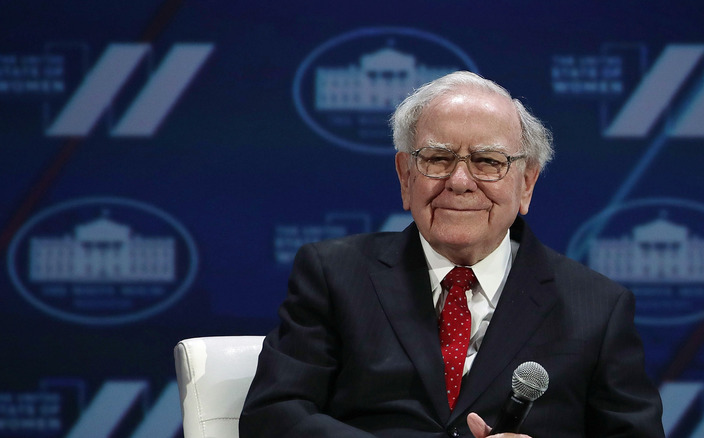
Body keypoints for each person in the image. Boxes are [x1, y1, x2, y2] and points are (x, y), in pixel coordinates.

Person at [240, 71, 664, 437]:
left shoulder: (597, 306)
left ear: (527, 183)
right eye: (438, 159)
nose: (460, 181)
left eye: (487, 161)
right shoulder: (335, 274)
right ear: (405, 176)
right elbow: (274, 415)